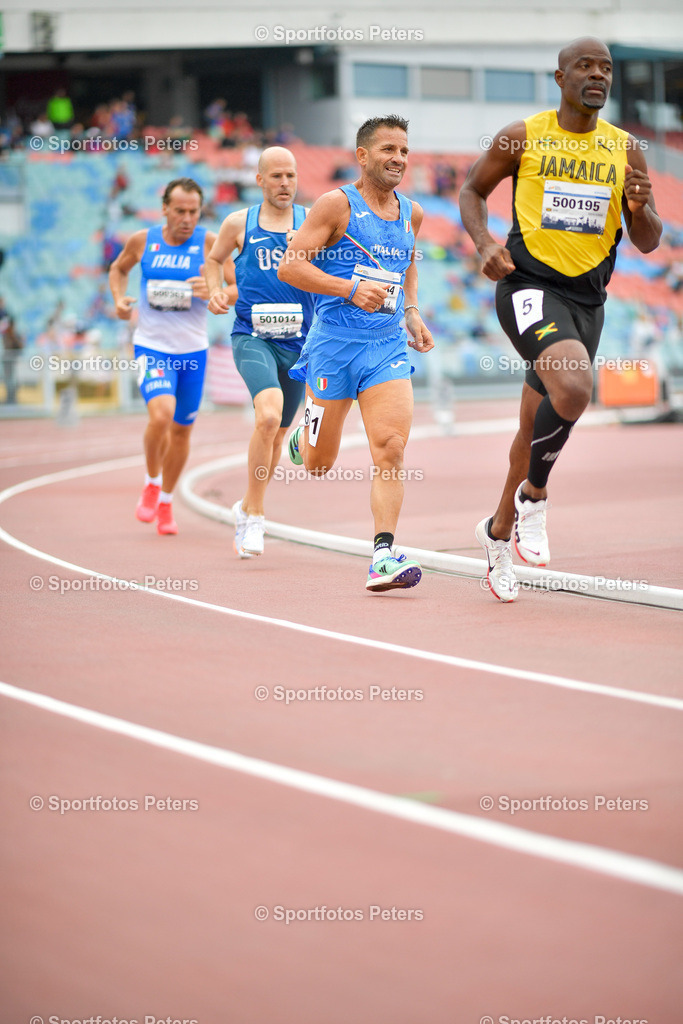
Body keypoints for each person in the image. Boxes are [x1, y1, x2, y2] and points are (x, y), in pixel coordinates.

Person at [459, 37, 662, 602]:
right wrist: (482, 244)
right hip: (526, 286)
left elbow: (647, 241)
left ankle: (498, 532)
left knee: (532, 430)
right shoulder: (522, 136)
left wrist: (642, 209)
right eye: (585, 67)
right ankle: (535, 499)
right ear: (559, 77)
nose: (597, 76)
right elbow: (472, 190)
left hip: (586, 305)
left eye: (607, 69)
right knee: (573, 388)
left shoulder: (626, 150)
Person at [277, 114, 434, 593]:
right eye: (389, 150)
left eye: (404, 151)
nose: (399, 159)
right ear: (363, 156)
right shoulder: (333, 205)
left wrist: (410, 310)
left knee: (391, 449)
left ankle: (383, 554)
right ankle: (304, 434)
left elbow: (406, 261)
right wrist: (349, 288)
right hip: (333, 348)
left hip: (385, 347)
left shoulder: (413, 212)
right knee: (320, 463)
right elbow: (290, 267)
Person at [205, 146, 315, 557]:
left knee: (276, 435)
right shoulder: (239, 223)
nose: (285, 184)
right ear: (260, 180)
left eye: (291, 176)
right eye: (277, 177)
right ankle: (256, 518)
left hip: (299, 344)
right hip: (252, 337)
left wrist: (307, 251)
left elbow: (335, 269)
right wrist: (216, 289)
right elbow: (214, 260)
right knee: (266, 416)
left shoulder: (311, 222)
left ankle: (246, 505)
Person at [109, 177, 222, 535]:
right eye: (180, 211)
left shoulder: (209, 244)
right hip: (152, 347)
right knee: (161, 416)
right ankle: (151, 481)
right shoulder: (143, 241)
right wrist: (118, 299)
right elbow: (118, 269)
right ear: (165, 210)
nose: (187, 218)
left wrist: (216, 290)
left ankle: (167, 504)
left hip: (193, 352)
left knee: (182, 431)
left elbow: (235, 287)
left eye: (193, 211)